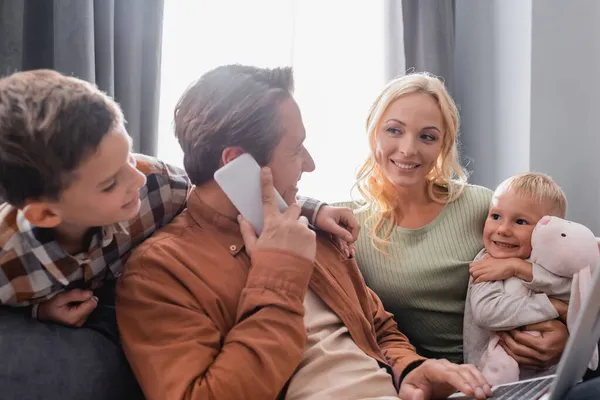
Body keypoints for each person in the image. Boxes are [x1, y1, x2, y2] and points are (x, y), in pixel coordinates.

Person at [115, 64, 493, 400]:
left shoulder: (313, 228)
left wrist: (412, 369)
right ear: (237, 164)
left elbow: (378, 326)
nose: (310, 165)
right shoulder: (160, 272)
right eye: (296, 150)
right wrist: (278, 276)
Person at [0, 69, 355, 399]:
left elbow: (230, 181)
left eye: (129, 158)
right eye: (111, 183)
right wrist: (38, 312)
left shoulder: (156, 185)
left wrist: (313, 210)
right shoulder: (8, 258)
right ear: (45, 214)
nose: (135, 180)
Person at [327, 72, 569, 369]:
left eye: (427, 136)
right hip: (428, 383)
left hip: (517, 374)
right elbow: (279, 206)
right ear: (373, 131)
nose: (408, 149)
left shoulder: (482, 206)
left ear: (444, 144)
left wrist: (565, 332)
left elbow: (565, 262)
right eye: (394, 130)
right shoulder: (344, 225)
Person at [464, 173, 573, 385]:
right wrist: (552, 306)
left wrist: (521, 268)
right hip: (491, 383)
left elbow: (574, 290)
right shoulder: (487, 261)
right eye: (495, 216)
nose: (503, 229)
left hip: (550, 379)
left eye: (520, 221)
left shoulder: (553, 263)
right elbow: (487, 311)